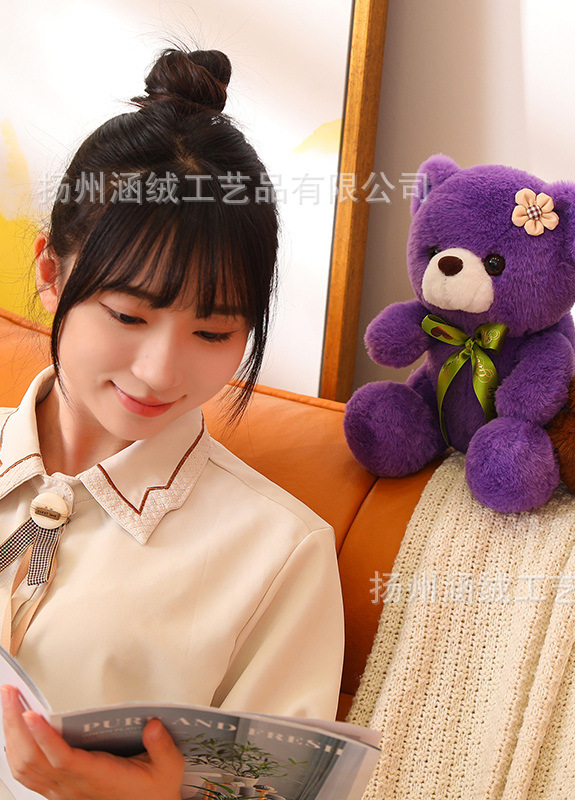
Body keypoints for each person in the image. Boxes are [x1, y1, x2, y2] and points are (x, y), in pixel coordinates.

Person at [0, 48, 344, 799]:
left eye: (213, 332)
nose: (160, 371)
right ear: (51, 273)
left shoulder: (279, 554)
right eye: (129, 315)